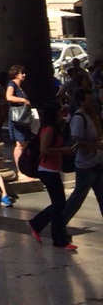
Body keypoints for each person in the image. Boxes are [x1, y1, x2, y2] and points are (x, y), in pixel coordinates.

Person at [27, 101, 77, 250]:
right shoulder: (48, 129)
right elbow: (44, 149)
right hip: (47, 170)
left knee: (59, 204)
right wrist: (63, 150)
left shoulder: (54, 128)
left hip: (53, 169)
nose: (61, 113)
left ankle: (53, 235)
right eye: (58, 111)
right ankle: (45, 229)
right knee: (59, 204)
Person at [59, 86, 103, 228]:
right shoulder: (79, 118)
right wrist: (96, 146)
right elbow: (76, 142)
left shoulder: (91, 115)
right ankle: (60, 222)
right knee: (78, 197)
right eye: (89, 101)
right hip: (86, 165)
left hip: (97, 162)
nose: (92, 103)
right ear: (81, 102)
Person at [5, 65, 32, 167]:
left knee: (25, 143)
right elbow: (8, 97)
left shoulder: (21, 87)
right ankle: (20, 170)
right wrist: (23, 100)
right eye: (22, 73)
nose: (24, 75)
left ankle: (25, 167)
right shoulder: (12, 84)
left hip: (24, 118)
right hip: (17, 118)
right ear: (16, 74)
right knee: (19, 144)